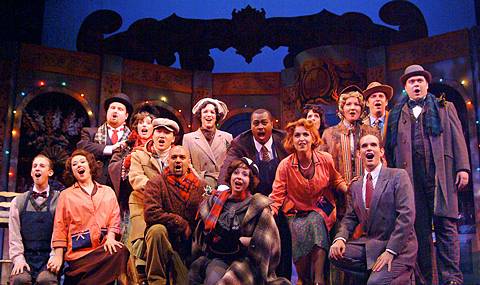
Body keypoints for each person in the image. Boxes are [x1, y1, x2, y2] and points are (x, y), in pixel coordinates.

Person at [385, 64, 470, 285]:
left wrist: (462, 168)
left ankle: (451, 277)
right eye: (411, 81)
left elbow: (458, 139)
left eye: (419, 81)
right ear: (405, 86)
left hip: (440, 175)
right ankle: (424, 279)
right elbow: (391, 150)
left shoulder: (444, 106)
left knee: (446, 226)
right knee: (419, 230)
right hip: (411, 180)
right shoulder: (397, 114)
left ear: (426, 84)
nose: (416, 84)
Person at [329, 134, 418, 284]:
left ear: (381, 151)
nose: (369, 148)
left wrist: (390, 251)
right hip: (372, 244)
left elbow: (406, 216)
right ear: (359, 154)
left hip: (399, 247)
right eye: (364, 146)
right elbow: (350, 218)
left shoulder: (398, 176)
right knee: (335, 255)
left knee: (374, 283)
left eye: (373, 145)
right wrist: (340, 239)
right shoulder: (356, 185)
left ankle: (402, 276)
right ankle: (380, 274)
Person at [269, 118, 347, 285]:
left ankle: (318, 279)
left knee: (316, 220)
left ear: (313, 138)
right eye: (297, 135)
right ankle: (304, 278)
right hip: (296, 210)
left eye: (306, 134)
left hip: (322, 207)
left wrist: (347, 188)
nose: (301, 139)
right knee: (300, 226)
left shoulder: (325, 159)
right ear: (292, 140)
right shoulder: (285, 165)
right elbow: (277, 195)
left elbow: (335, 180)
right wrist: (270, 212)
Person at [190, 158, 290, 285]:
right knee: (210, 280)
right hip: (220, 257)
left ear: (250, 181)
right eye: (236, 172)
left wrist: (245, 241)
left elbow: (267, 245)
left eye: (245, 174)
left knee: (229, 281)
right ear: (230, 176)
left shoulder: (259, 207)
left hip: (249, 262)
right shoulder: (215, 202)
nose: (239, 177)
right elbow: (201, 238)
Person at [217, 108, 292, 279]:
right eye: (255, 123)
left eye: (264, 123)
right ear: (250, 126)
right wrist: (222, 192)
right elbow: (227, 168)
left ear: (272, 124)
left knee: (284, 235)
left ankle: (283, 278)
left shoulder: (284, 139)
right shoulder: (240, 142)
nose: (260, 127)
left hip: (283, 199)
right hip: (254, 203)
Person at [50, 149, 129, 284]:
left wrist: (110, 237)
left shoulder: (107, 192)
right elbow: (60, 227)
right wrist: (58, 256)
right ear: (72, 172)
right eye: (74, 164)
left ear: (90, 166)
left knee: (121, 251)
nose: (79, 165)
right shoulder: (66, 195)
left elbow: (114, 219)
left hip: (102, 250)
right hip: (79, 256)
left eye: (82, 162)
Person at [143, 145, 206, 285]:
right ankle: (156, 281)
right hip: (163, 241)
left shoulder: (201, 186)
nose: (178, 161)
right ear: (167, 161)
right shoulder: (156, 183)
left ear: (188, 162)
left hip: (189, 245)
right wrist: (180, 223)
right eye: (174, 157)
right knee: (156, 230)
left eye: (182, 157)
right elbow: (150, 213)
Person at [128, 118, 179, 280]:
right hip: (142, 205)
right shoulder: (139, 155)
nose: (162, 135)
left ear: (173, 138)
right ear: (153, 133)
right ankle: (145, 276)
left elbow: (192, 177)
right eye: (159, 131)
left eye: (167, 132)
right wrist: (161, 190)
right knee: (144, 243)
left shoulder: (179, 155)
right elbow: (136, 179)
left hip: (170, 208)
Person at [9, 154, 60, 285]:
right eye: (34, 166)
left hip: (48, 258)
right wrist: (18, 259)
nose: (37, 169)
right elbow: (14, 236)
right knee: (20, 279)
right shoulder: (18, 201)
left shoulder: (59, 200)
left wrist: (55, 256)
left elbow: (60, 232)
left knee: (46, 280)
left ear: (50, 172)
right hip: (26, 257)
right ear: (32, 173)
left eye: (42, 166)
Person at [321, 85, 380, 184]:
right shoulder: (329, 134)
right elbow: (322, 166)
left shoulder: (371, 132)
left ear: (361, 109)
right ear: (342, 108)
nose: (352, 108)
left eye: (356, 104)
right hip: (337, 192)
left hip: (368, 188)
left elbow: (380, 162)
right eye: (348, 104)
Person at [77, 93, 133, 184]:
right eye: (112, 108)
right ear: (107, 112)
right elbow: (82, 146)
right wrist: (110, 148)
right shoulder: (90, 132)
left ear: (126, 115)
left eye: (120, 109)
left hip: (122, 187)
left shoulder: (132, 138)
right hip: (95, 183)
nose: (115, 111)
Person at [108, 110, 156, 214]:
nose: (144, 125)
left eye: (148, 123)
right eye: (141, 122)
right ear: (136, 127)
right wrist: (126, 161)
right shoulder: (126, 146)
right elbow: (112, 166)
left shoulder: (157, 148)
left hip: (150, 197)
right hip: (127, 197)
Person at [183, 98, 232, 187]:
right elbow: (187, 167)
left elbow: (231, 164)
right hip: (198, 185)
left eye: (212, 112)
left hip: (222, 186)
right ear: (200, 115)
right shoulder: (188, 138)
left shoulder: (227, 137)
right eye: (205, 112)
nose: (209, 115)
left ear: (216, 116)